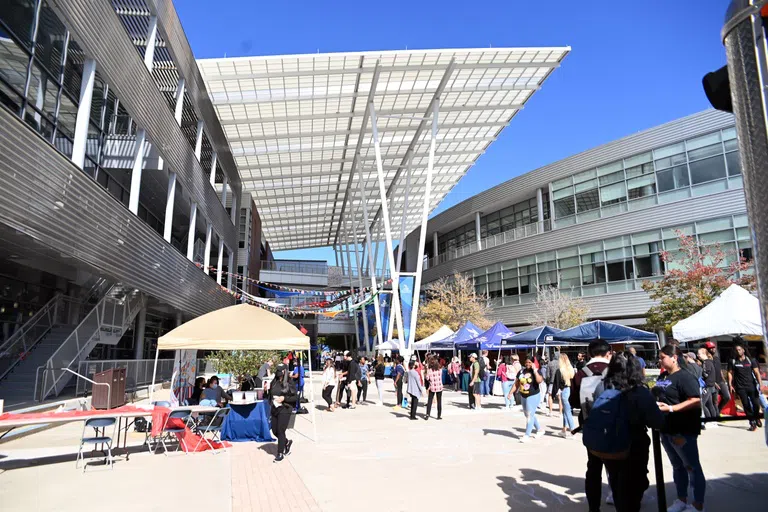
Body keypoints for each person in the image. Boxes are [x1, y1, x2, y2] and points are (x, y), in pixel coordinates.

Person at [598, 353, 665, 512]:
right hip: (634, 444)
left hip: (609, 442)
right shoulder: (639, 392)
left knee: (616, 482)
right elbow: (657, 421)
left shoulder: (603, 386)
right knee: (634, 487)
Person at [654, 344, 706, 512]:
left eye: (663, 357)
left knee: (691, 466)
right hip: (666, 428)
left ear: (674, 358)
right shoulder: (662, 376)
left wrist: (671, 408)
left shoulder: (685, 377)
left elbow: (695, 400)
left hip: (683, 429)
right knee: (677, 466)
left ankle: (698, 504)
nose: (660, 360)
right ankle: (681, 499)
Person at [570, 340, 612, 512]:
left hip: (590, 424)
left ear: (589, 354)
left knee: (593, 466)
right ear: (608, 353)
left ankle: (594, 507)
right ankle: (617, 497)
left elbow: (573, 401)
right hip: (615, 425)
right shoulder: (615, 370)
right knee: (617, 465)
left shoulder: (581, 373)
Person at [728, 342, 763, 431]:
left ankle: (757, 417)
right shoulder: (732, 361)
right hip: (740, 387)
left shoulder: (751, 360)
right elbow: (730, 373)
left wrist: (761, 384)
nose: (738, 351)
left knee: (756, 404)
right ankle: (752, 422)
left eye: (739, 349)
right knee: (746, 405)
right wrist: (730, 384)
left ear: (743, 350)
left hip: (752, 386)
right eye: (736, 350)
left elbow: (757, 372)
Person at [510, 356, 544, 442]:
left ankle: (527, 435)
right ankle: (540, 430)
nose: (528, 364)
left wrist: (535, 370)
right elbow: (516, 383)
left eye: (530, 362)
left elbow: (539, 381)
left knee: (529, 415)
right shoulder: (521, 371)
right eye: (526, 362)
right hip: (523, 395)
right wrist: (510, 393)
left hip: (533, 395)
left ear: (533, 363)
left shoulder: (536, 371)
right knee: (528, 414)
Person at [269, 365, 297, 463]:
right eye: (277, 370)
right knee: (274, 430)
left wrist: (284, 398)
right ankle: (286, 442)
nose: (278, 373)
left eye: (280, 371)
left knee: (281, 430)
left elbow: (295, 398)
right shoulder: (274, 382)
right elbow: (270, 394)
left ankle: (280, 453)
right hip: (275, 408)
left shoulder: (290, 383)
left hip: (285, 408)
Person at [552, 353, 575, 438]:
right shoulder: (571, 369)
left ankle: (572, 430)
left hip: (564, 391)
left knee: (567, 411)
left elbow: (556, 384)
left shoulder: (560, 370)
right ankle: (564, 430)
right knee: (566, 411)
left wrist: (553, 394)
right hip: (569, 390)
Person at [705, 341, 729, 413]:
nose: (713, 349)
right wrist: (714, 383)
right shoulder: (707, 360)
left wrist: (724, 380)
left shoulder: (716, 358)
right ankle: (717, 415)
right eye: (711, 348)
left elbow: (720, 370)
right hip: (713, 383)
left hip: (721, 381)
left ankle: (719, 409)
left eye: (714, 347)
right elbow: (708, 373)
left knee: (727, 397)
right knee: (714, 401)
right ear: (707, 349)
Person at [698, 347, 718, 422]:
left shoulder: (706, 362)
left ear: (704, 354)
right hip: (710, 385)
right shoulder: (709, 362)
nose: (698, 355)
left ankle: (708, 419)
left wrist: (701, 375)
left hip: (707, 385)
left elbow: (706, 374)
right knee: (709, 403)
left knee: (702, 404)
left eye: (699, 354)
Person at [546, 350, 561, 416]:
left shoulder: (550, 363)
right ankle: (560, 412)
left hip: (551, 382)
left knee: (550, 396)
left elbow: (547, 375)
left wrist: (547, 382)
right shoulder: (561, 364)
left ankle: (550, 411)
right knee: (560, 397)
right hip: (559, 382)